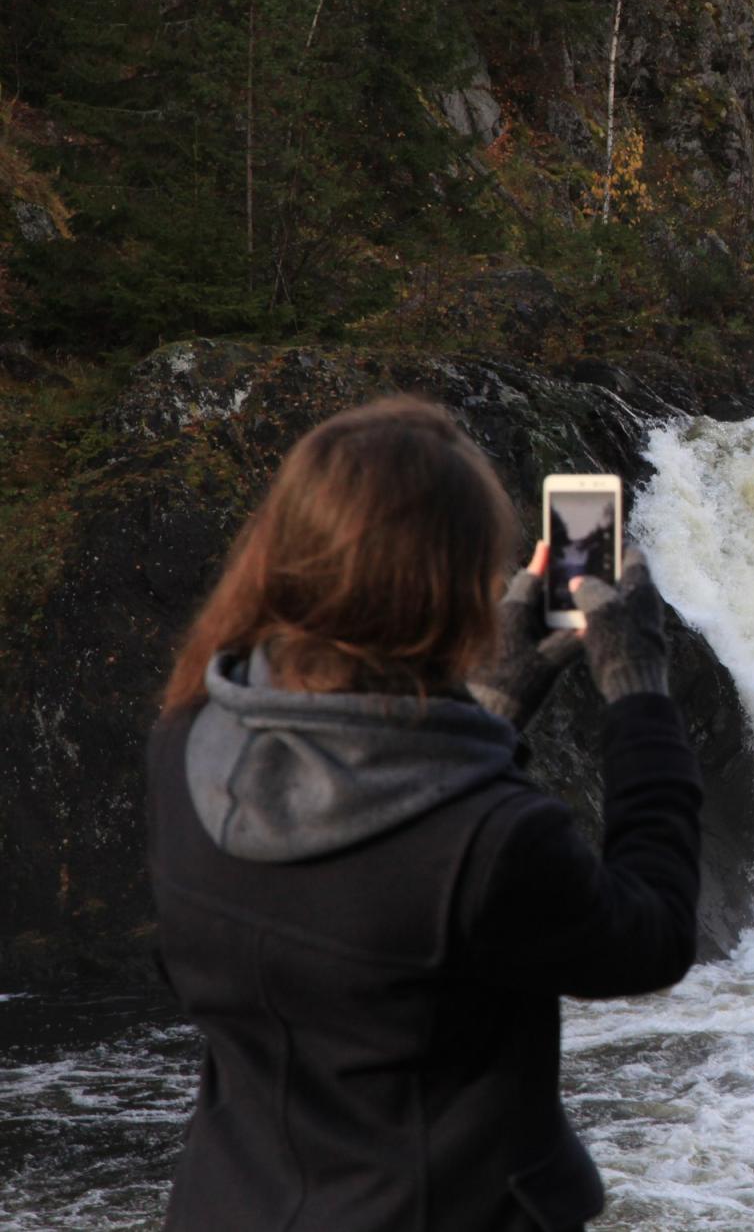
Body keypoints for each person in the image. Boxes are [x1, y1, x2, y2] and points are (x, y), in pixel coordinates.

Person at [145, 396, 701, 1231]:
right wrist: (638, 688)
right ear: (450, 591)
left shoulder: (187, 750)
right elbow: (650, 936)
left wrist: (488, 704)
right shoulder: (493, 841)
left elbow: (355, 814)